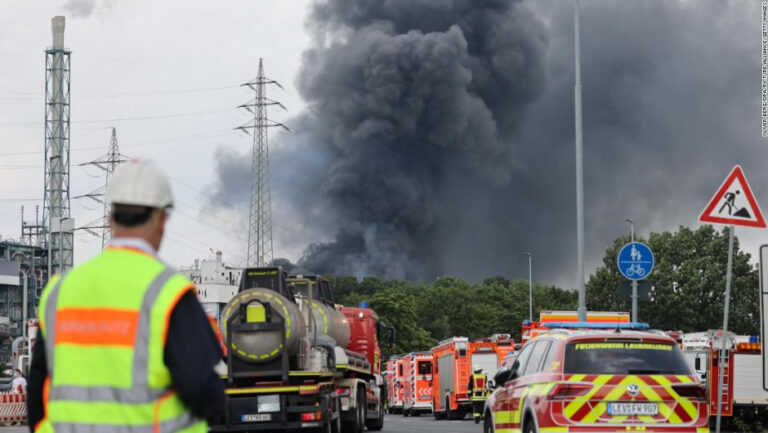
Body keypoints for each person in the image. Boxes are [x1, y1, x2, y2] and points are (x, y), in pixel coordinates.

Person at [27, 159, 225, 433]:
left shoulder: (60, 292)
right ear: (161, 219)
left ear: (110, 219)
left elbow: (37, 391)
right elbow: (202, 387)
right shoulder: (168, 293)